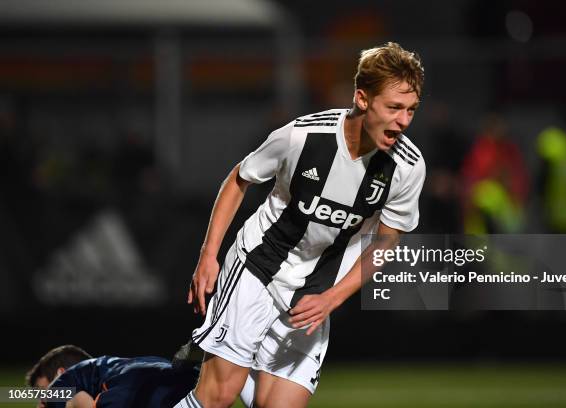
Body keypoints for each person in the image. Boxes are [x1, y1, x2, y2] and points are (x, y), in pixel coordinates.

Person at [177, 41, 426, 408]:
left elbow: (385, 243)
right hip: (258, 268)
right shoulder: (302, 137)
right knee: (218, 396)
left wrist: (332, 297)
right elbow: (239, 179)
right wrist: (209, 255)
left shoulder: (407, 168)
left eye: (411, 110)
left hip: (313, 295)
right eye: (394, 108)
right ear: (362, 99)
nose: (403, 122)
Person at [26, 345, 201, 408]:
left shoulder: (63, 385)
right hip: (186, 380)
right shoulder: (114, 368)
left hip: (130, 390)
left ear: (60, 373)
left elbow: (76, 399)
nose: (41, 403)